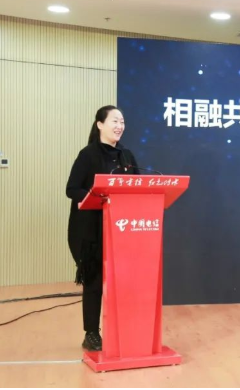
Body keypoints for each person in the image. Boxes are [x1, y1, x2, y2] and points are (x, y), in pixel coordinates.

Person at [66, 105, 139, 351]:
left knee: (122, 282)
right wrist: (97, 197)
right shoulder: (88, 155)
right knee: (94, 282)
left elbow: (136, 187)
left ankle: (122, 329)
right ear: (100, 124)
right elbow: (71, 189)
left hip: (120, 229)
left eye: (122, 122)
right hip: (91, 232)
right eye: (114, 121)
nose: (120, 126)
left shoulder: (126, 156)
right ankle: (91, 333)